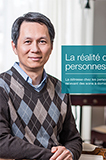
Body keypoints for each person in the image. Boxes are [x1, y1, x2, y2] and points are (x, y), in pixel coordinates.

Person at [0, 12, 82, 160]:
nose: (35, 49)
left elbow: (73, 139)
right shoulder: (2, 86)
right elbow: (1, 142)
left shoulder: (61, 88)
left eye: (42, 41)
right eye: (27, 42)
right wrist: (51, 156)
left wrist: (69, 153)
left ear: (51, 47)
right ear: (14, 46)